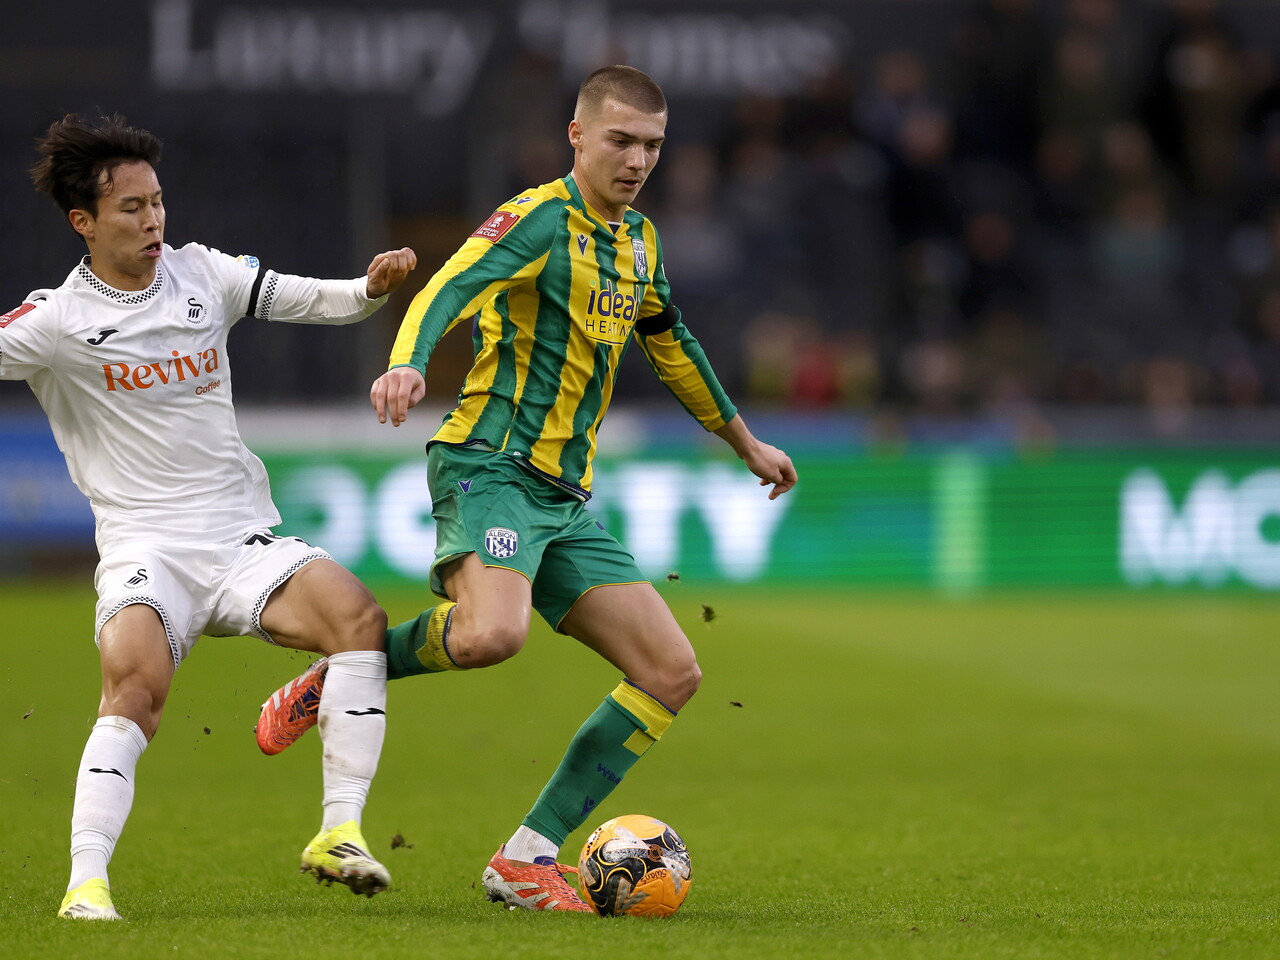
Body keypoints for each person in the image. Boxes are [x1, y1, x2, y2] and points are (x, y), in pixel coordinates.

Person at [255, 65, 797, 912]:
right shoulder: (538, 218)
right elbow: (449, 286)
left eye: (653, 146)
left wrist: (745, 441)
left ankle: (526, 857)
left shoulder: (641, 243)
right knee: (493, 635)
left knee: (670, 670)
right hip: (490, 462)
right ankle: (348, 670)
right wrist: (406, 362)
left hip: (563, 497)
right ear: (577, 136)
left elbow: (671, 343)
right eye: (621, 141)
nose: (638, 160)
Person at [0, 114, 417, 920]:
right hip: (146, 551)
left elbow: (315, 300)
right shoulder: (55, 322)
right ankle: (86, 884)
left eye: (157, 202)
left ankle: (339, 832)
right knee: (135, 692)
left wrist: (369, 290)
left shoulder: (203, 274)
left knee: (359, 620)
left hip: (240, 542)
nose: (153, 219)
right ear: (84, 221)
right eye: (131, 208)